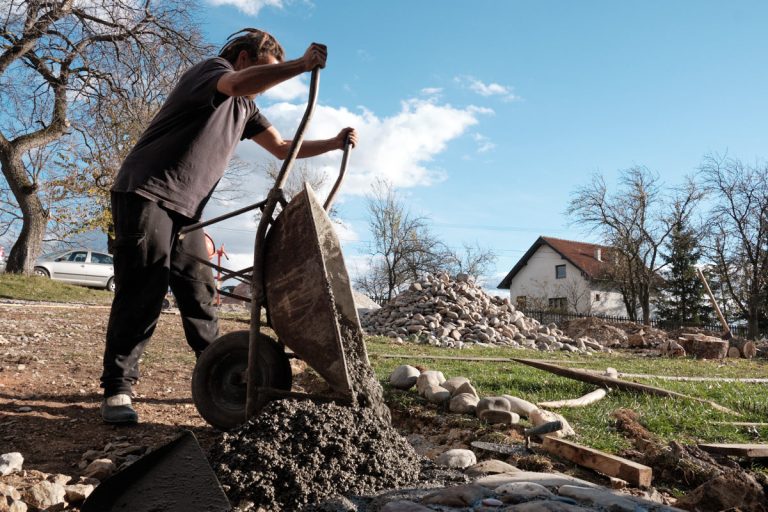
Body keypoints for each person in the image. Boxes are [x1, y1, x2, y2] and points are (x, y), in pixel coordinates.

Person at [100, 28, 357, 424]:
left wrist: (334, 142)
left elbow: (283, 147)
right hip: (146, 192)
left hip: (188, 209)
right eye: (266, 72)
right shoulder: (213, 71)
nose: (268, 85)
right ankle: (118, 387)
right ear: (242, 57)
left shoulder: (247, 109)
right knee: (144, 290)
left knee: (200, 290)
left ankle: (221, 373)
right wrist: (301, 66)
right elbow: (236, 83)